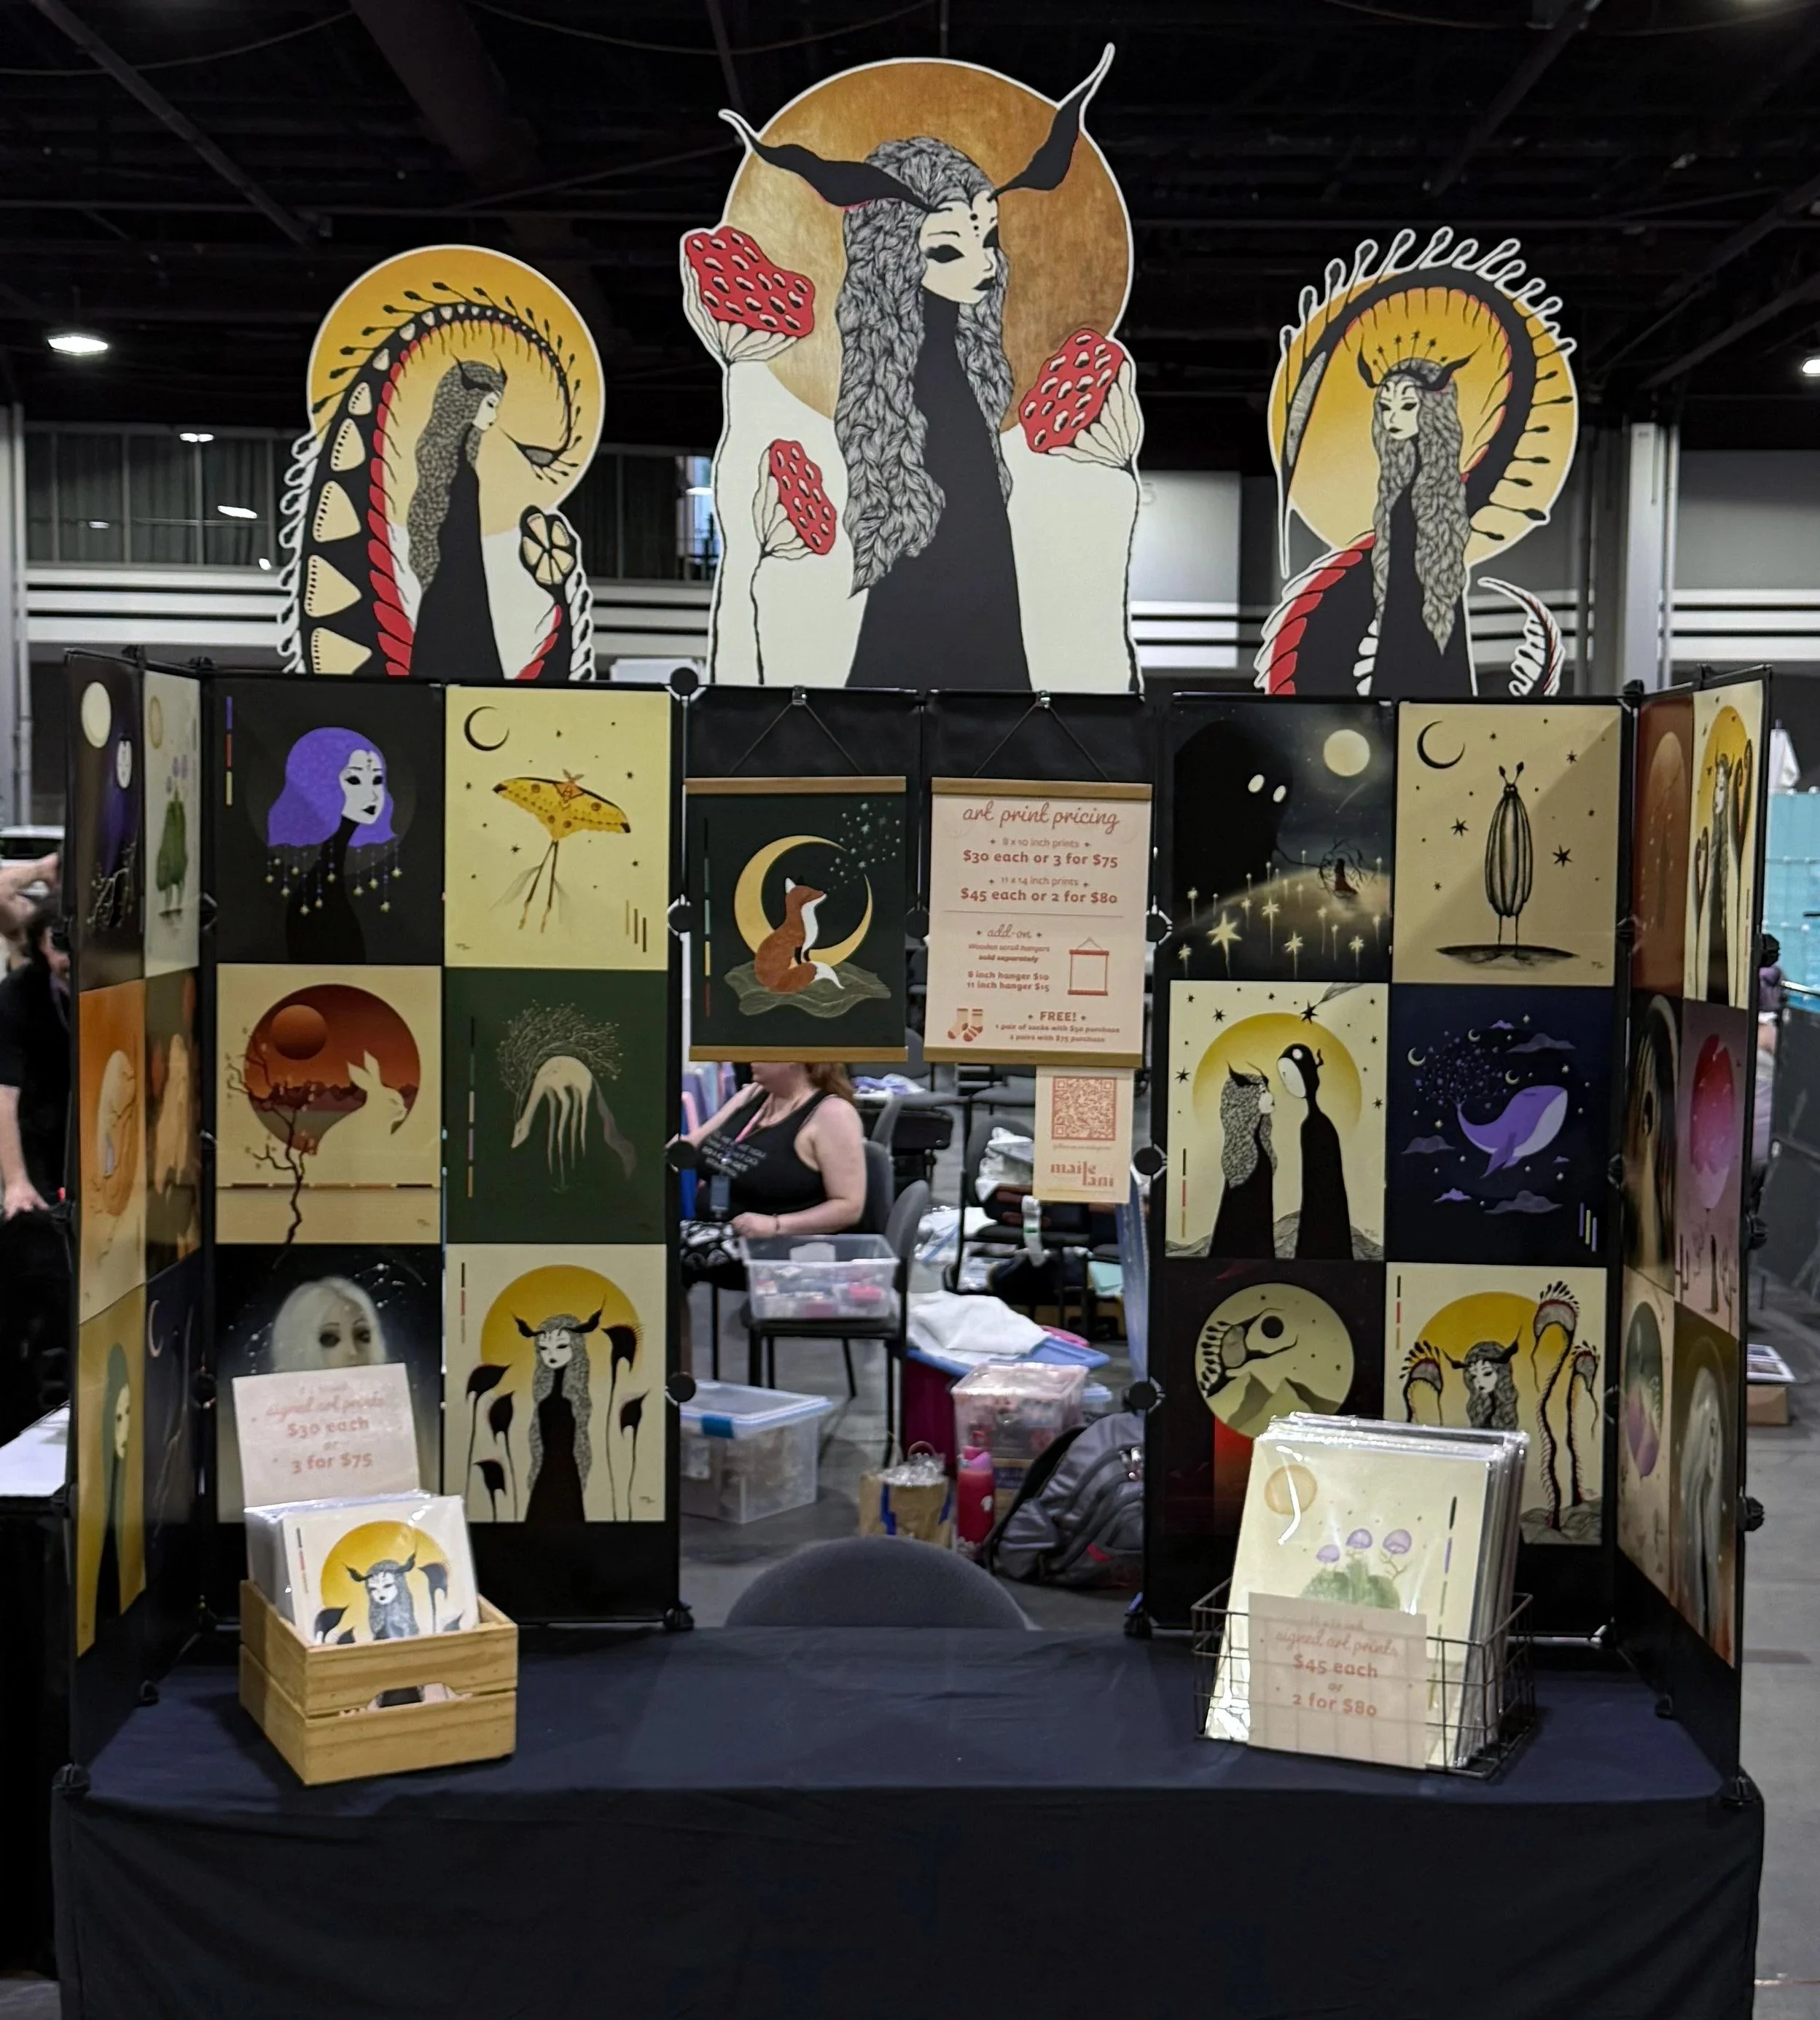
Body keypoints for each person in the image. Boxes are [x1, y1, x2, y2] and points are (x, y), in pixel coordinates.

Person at [0, 900, 71, 1437]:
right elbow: (4, 1095)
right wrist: (16, 1181)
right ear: (40, 945)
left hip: (84, 1136)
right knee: (41, 1264)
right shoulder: (18, 996)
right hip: (34, 1138)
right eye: (57, 945)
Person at [685, 1061, 869, 1241]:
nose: (751, 1058)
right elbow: (693, 1143)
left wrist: (776, 1225)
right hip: (711, 1234)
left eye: (763, 1051)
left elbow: (849, 1208)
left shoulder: (833, 1114)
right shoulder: (754, 1093)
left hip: (776, 1248)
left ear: (793, 1060)